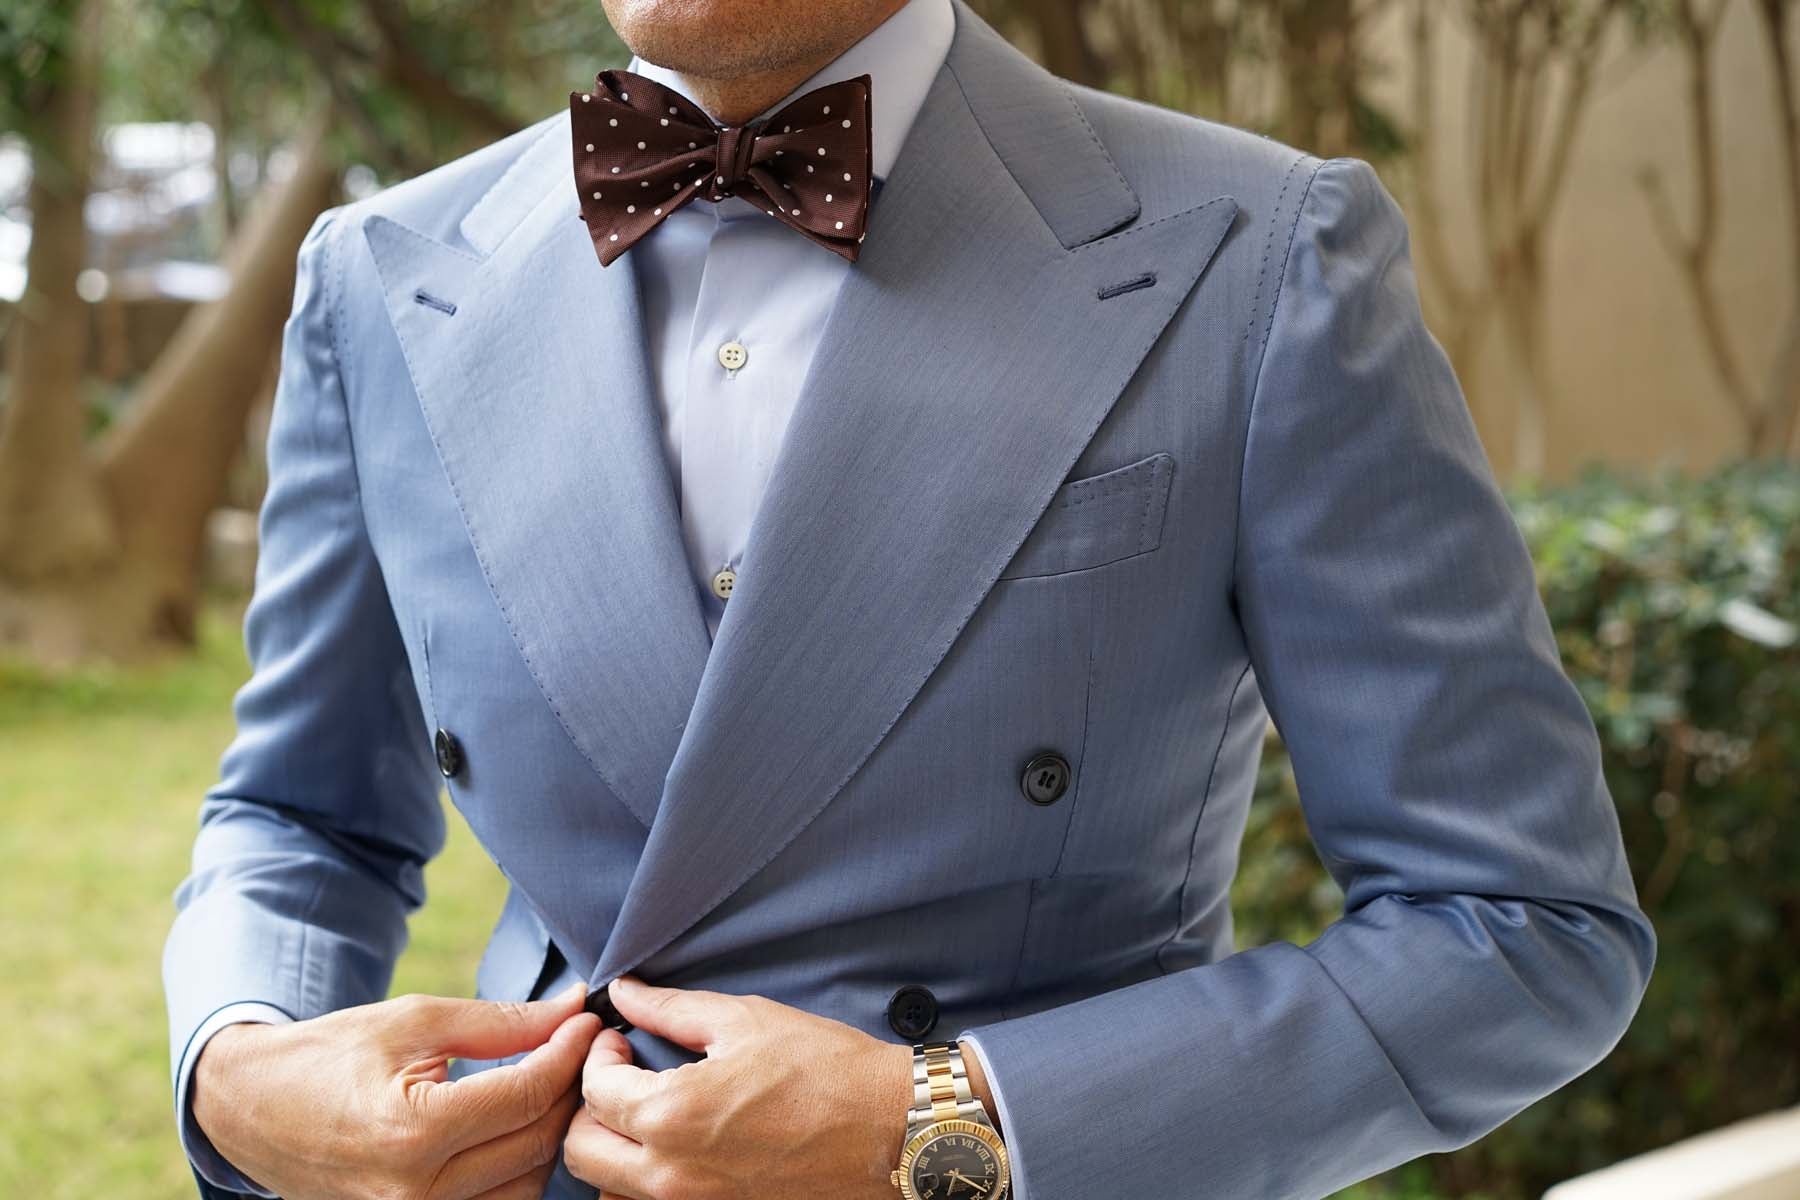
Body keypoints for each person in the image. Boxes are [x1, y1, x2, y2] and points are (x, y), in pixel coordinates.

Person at [162, 0, 1658, 1197]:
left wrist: (949, 1125)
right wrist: (237, 1064)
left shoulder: (1261, 259)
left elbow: (1520, 924)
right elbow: (302, 817)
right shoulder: (381, 278)